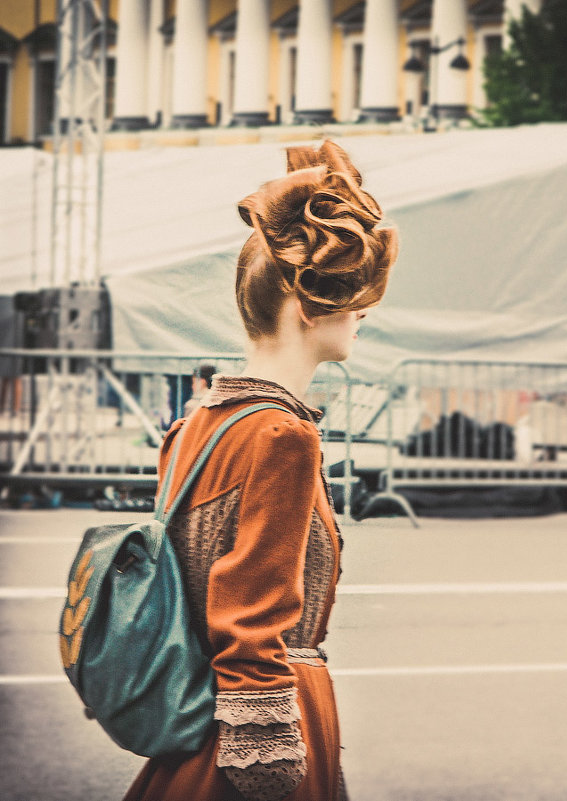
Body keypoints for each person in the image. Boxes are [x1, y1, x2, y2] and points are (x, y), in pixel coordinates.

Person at [123, 139, 398, 801]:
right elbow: (250, 607)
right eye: (356, 300)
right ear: (309, 307)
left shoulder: (196, 422)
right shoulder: (283, 434)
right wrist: (265, 745)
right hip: (265, 707)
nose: (364, 314)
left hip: (196, 699)